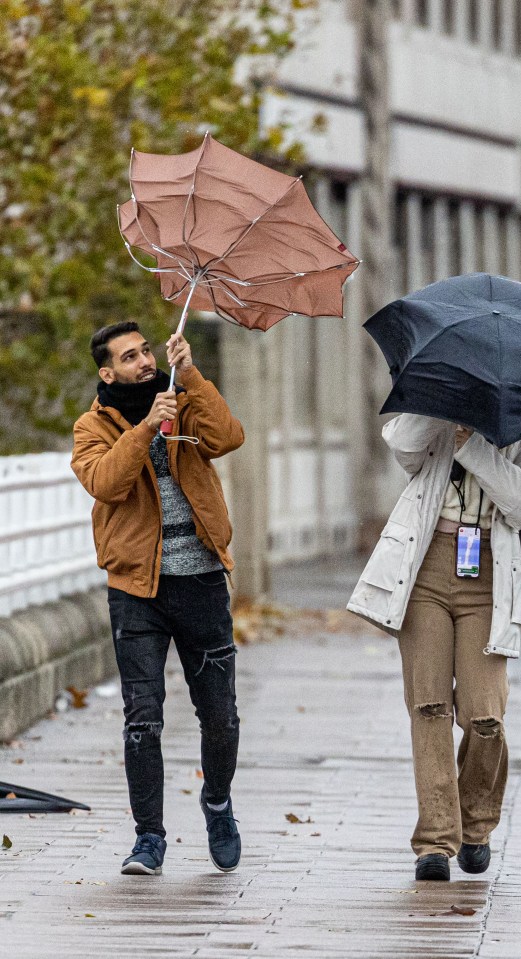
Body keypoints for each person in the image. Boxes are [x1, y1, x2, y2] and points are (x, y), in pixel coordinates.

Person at [347, 415, 521, 881]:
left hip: (488, 576)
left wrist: (474, 447)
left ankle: (475, 826)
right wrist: (440, 410)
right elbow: (402, 446)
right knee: (428, 706)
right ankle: (435, 841)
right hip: (425, 566)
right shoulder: (437, 416)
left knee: (486, 716)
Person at [71, 321, 245, 876]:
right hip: (135, 591)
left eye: (147, 350)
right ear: (107, 371)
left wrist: (190, 374)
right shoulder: (91, 427)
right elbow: (106, 482)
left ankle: (217, 804)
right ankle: (149, 838)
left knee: (220, 717)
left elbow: (229, 436)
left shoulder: (184, 399)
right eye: (130, 356)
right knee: (142, 720)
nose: (145, 361)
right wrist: (147, 426)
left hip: (201, 583)